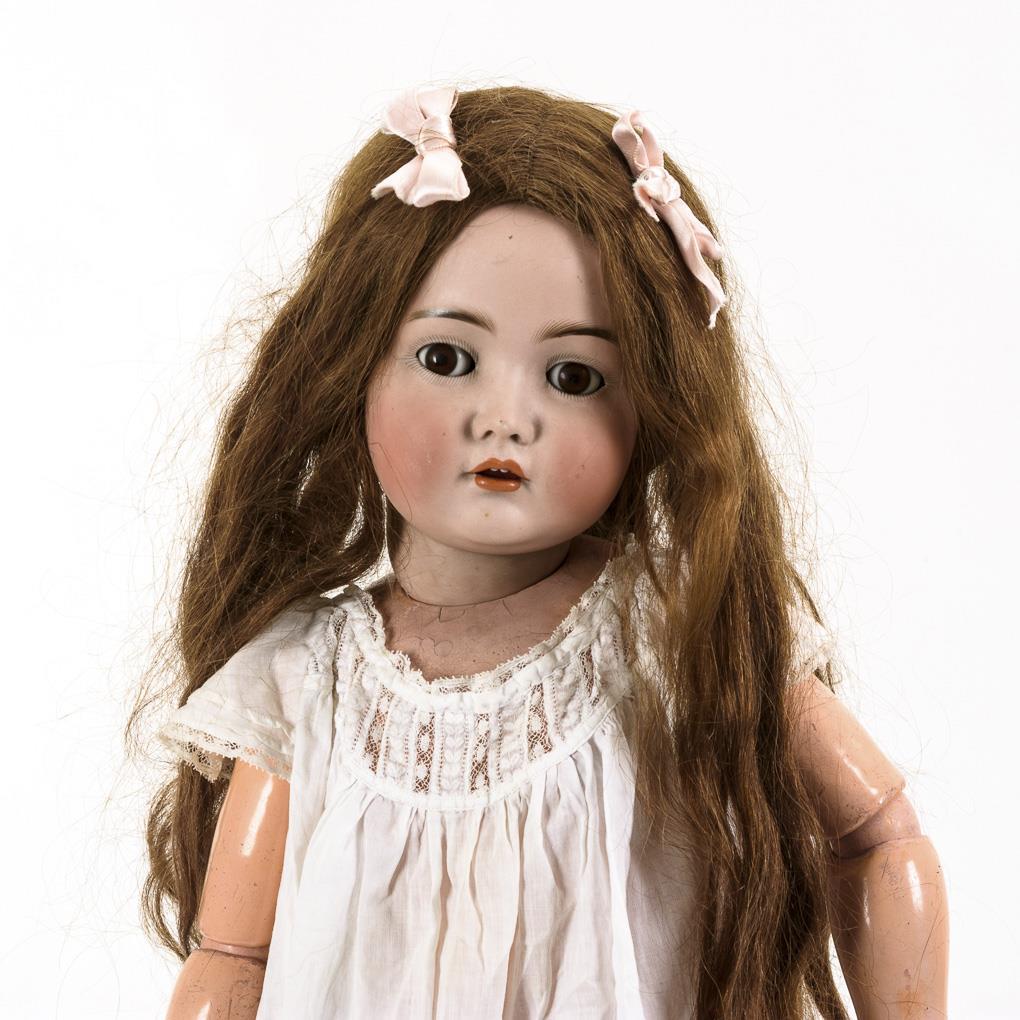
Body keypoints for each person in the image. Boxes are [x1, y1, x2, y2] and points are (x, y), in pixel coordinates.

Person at [137, 83, 949, 1018]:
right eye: (447, 359)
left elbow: (880, 837)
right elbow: (232, 957)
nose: (505, 418)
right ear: (349, 367)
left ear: (655, 407)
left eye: (573, 375)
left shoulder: (674, 629)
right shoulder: (307, 681)